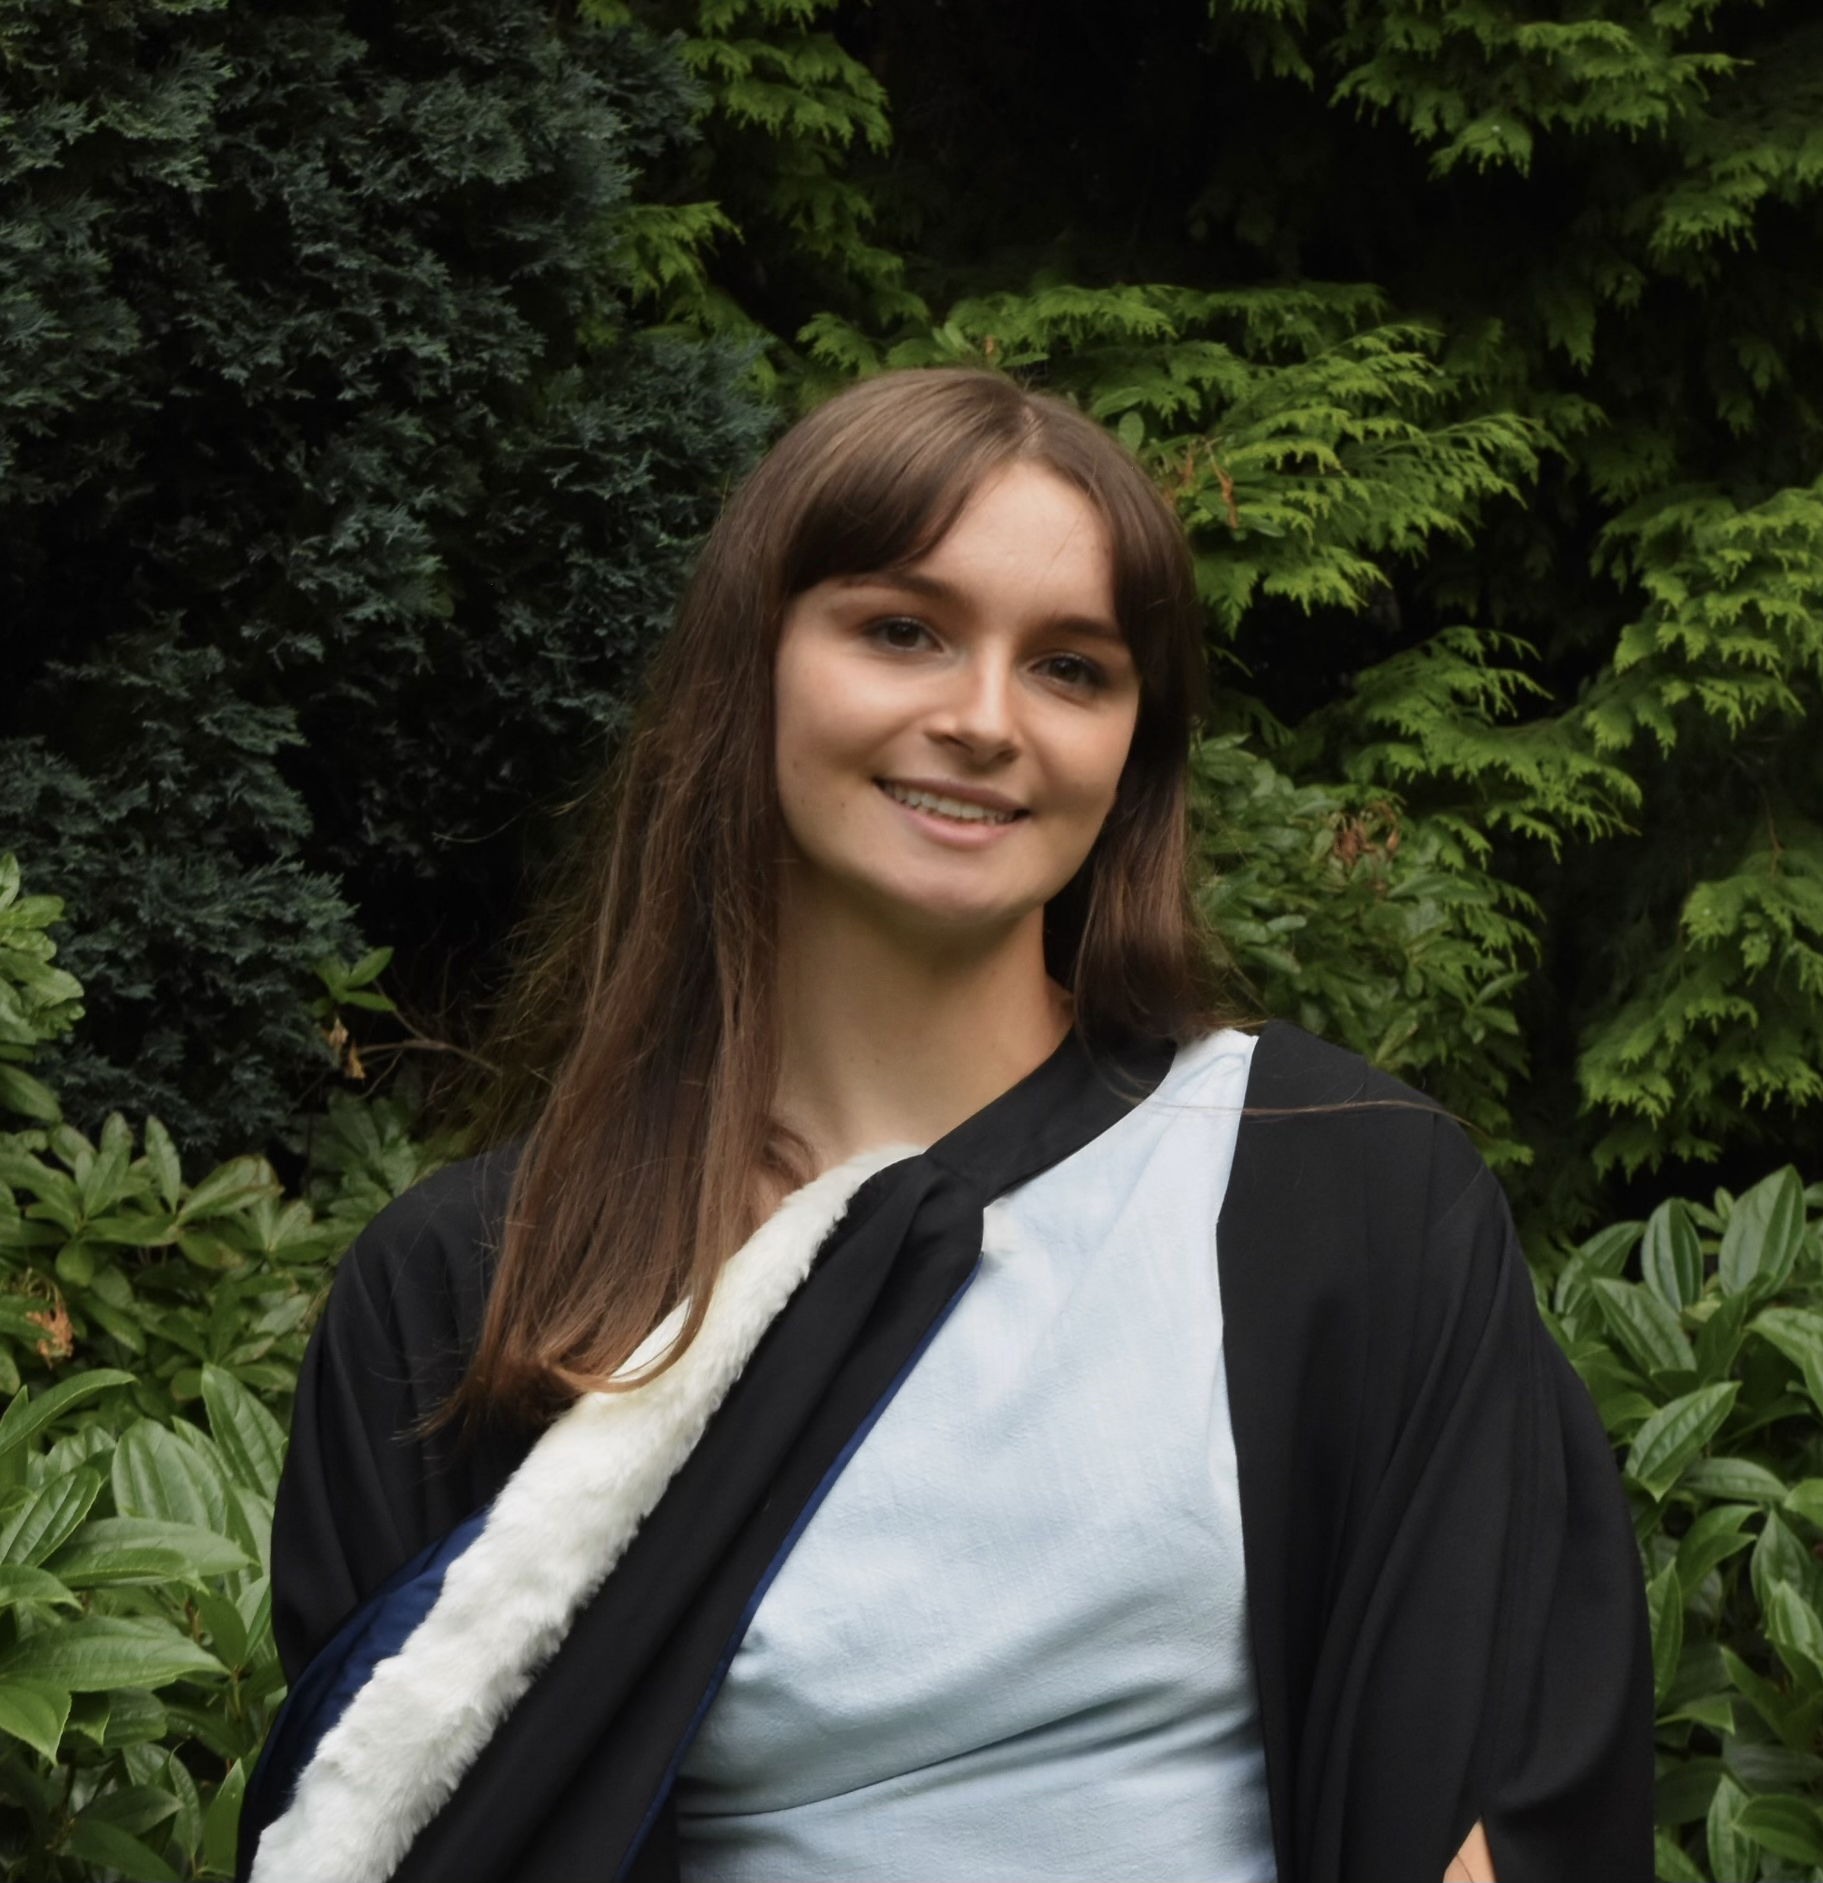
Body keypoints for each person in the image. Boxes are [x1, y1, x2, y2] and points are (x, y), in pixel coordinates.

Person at [237, 368, 1653, 1883]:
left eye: (1070, 667)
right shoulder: (476, 1289)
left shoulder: (1336, 1188)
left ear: (1134, 748)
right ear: (751, 668)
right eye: (901, 631)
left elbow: (1494, 1794)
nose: (983, 720)